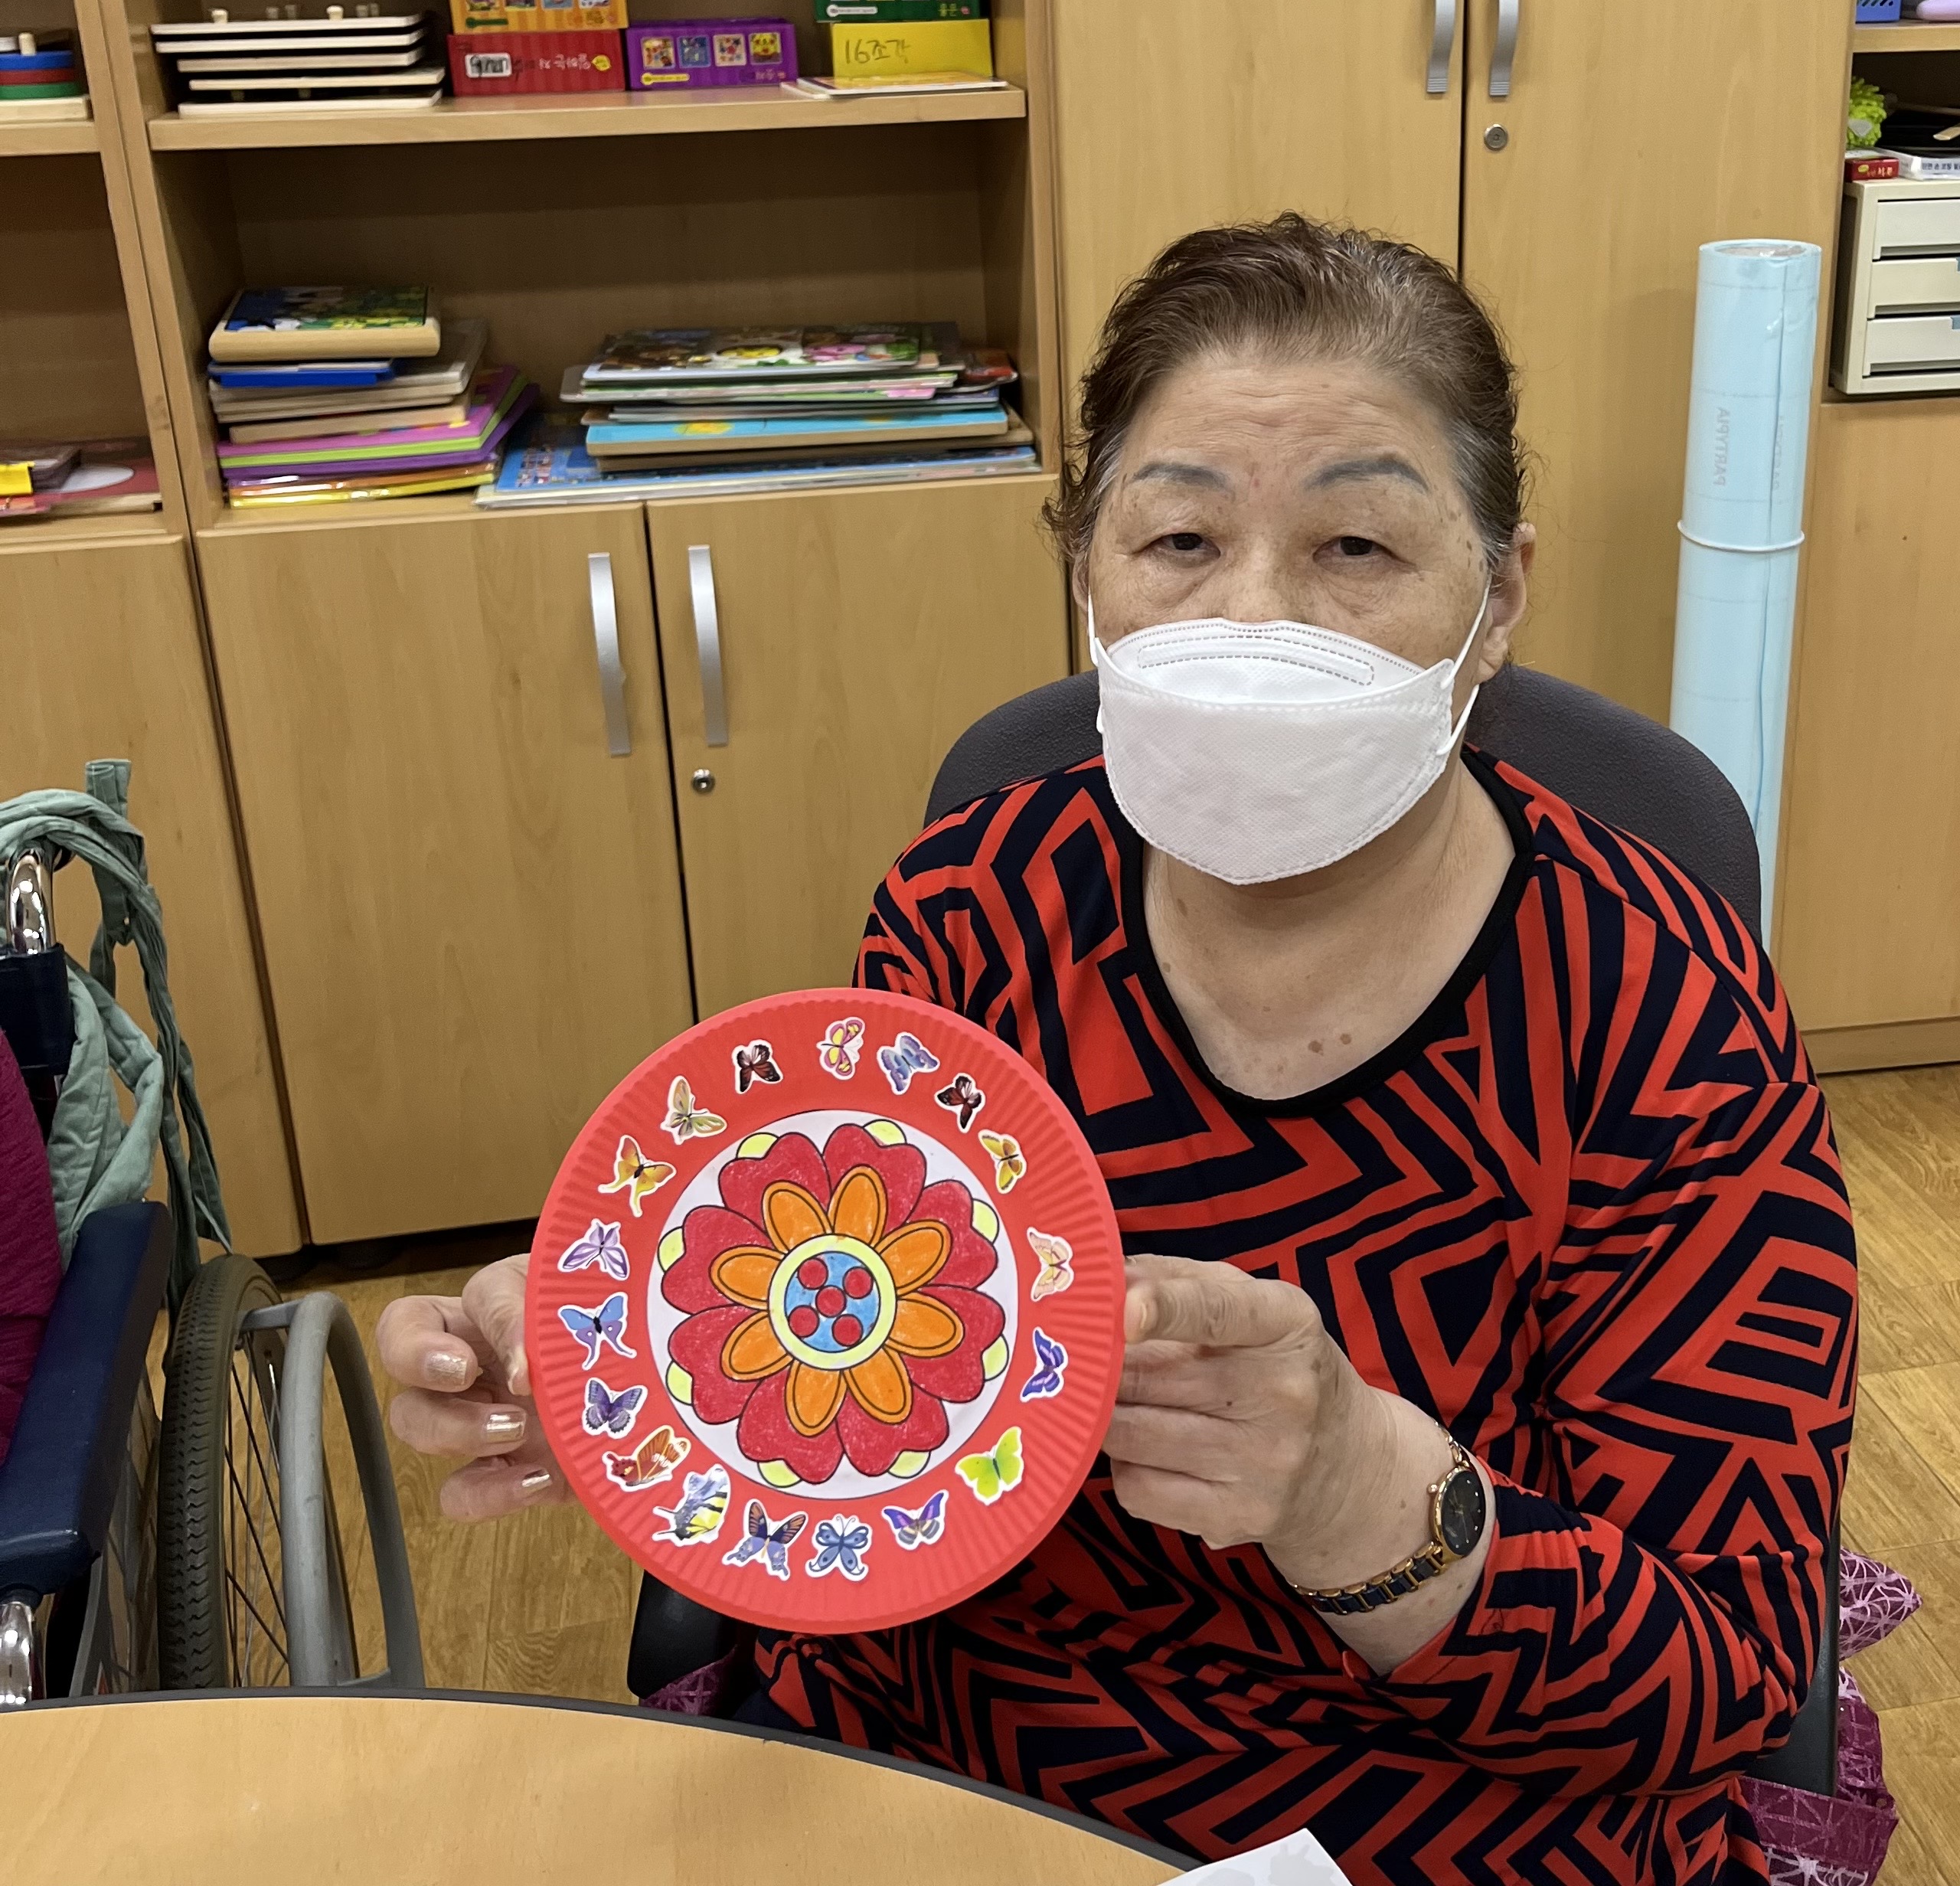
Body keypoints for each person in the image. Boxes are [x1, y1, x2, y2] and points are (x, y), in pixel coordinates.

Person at [378, 215, 1856, 1886]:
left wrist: (1359, 1492)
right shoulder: (973, 910)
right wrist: (648, 1375)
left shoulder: (1663, 1014)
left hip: (1453, 1810)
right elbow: (866, 1387)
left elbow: (1728, 1673)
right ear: (1086, 572)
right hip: (958, 1758)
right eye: (1179, 539)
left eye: (1357, 545)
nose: (1256, 617)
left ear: (1498, 595)